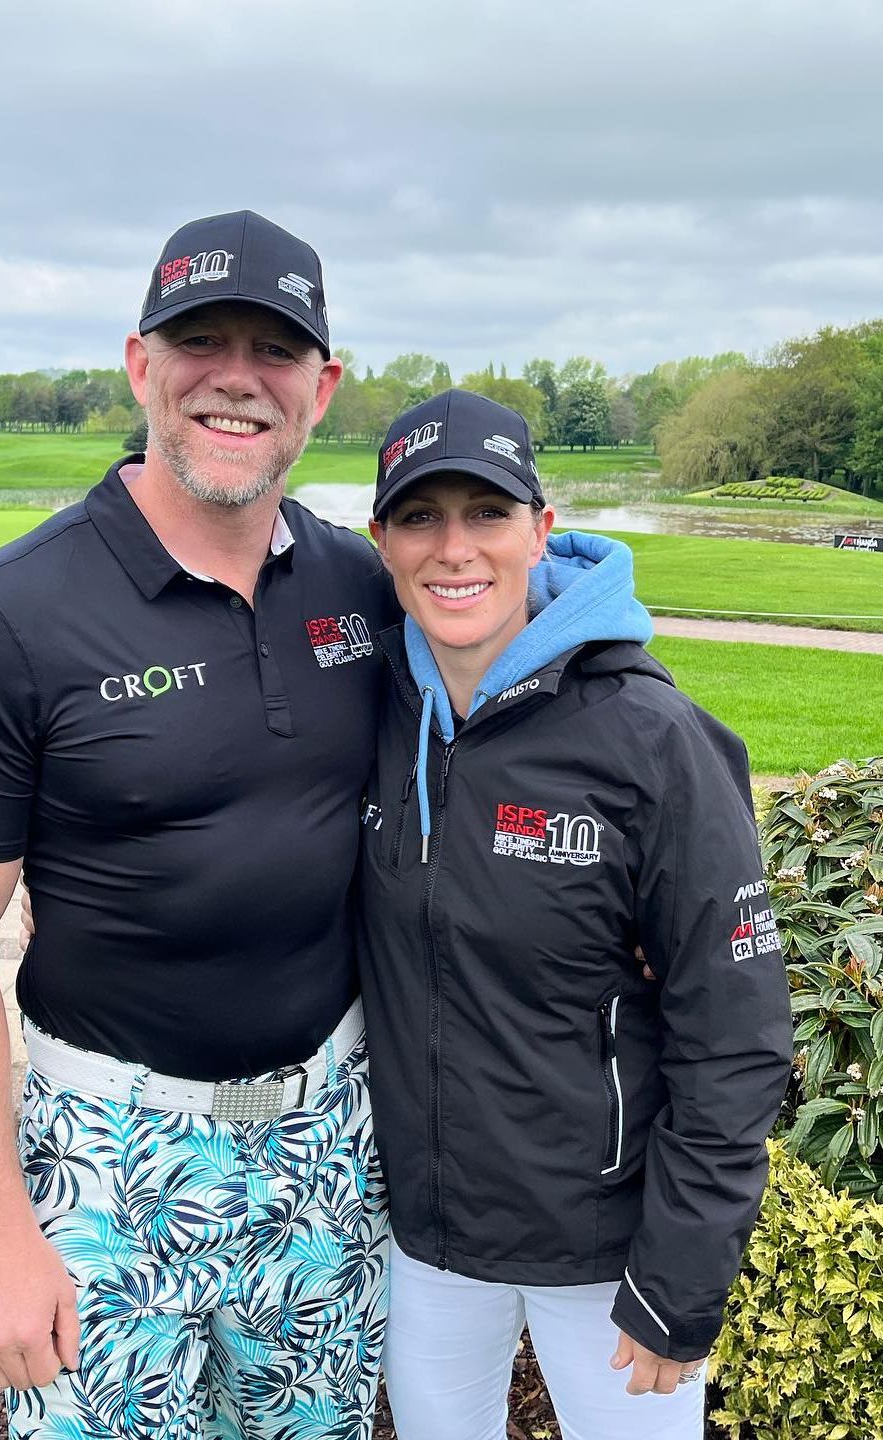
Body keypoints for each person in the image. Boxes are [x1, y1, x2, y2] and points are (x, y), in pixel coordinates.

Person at [0, 211, 399, 1440]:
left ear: (321, 388)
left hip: (330, 1138)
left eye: (275, 350)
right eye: (200, 341)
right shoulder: (9, 616)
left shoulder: (362, 585)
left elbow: (516, 659)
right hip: (110, 1155)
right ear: (140, 365)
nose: (236, 377)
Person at [355, 389, 793, 1440]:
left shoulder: (653, 740)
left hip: (606, 1257)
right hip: (429, 1244)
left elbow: (735, 1037)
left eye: (487, 512)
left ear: (542, 529)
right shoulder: (372, 705)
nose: (454, 548)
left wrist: (681, 1281)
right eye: (420, 516)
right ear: (381, 541)